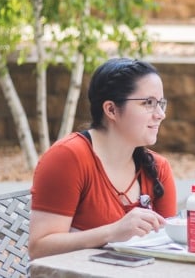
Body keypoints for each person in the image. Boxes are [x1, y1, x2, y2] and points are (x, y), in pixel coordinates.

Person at [29, 58, 177, 259]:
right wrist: (112, 233)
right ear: (111, 110)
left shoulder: (158, 168)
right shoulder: (69, 158)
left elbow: (170, 245)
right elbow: (39, 248)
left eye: (161, 104)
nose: (160, 114)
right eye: (148, 103)